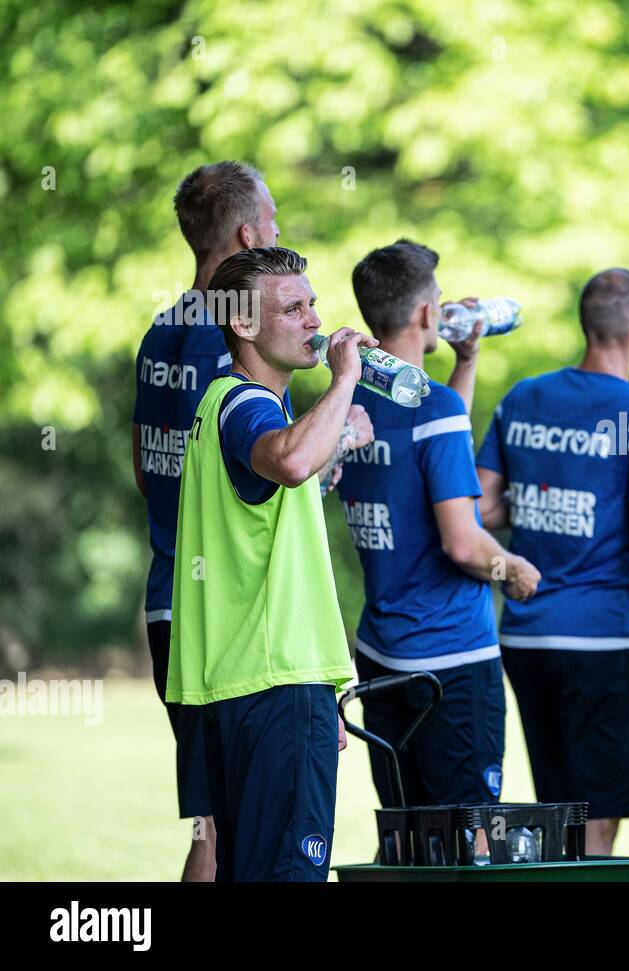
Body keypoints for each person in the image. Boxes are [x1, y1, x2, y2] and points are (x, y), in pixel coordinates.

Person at [475, 268, 629, 856]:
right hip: (599, 642)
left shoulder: (522, 397)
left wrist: (541, 498)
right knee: (598, 819)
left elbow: (478, 508)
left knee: (556, 810)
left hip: (525, 639)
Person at [168, 246, 372, 881]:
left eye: (312, 303)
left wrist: (333, 438)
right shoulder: (246, 404)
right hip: (275, 681)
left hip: (232, 685)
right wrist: (344, 384)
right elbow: (286, 461)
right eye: (293, 308)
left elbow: (278, 495)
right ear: (245, 327)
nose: (315, 320)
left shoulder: (223, 407)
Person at [339, 239, 539, 815]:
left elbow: (434, 438)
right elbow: (462, 543)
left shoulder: (350, 400)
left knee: (406, 832)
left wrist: (468, 362)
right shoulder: (436, 410)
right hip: (450, 660)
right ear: (429, 314)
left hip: (381, 654)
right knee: (465, 837)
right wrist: (515, 569)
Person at [131, 160, 278, 881]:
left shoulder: (161, 331)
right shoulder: (233, 339)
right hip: (218, 616)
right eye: (273, 222)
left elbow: (143, 466)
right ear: (248, 234)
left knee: (211, 821)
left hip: (164, 596)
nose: (280, 233)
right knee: (226, 833)